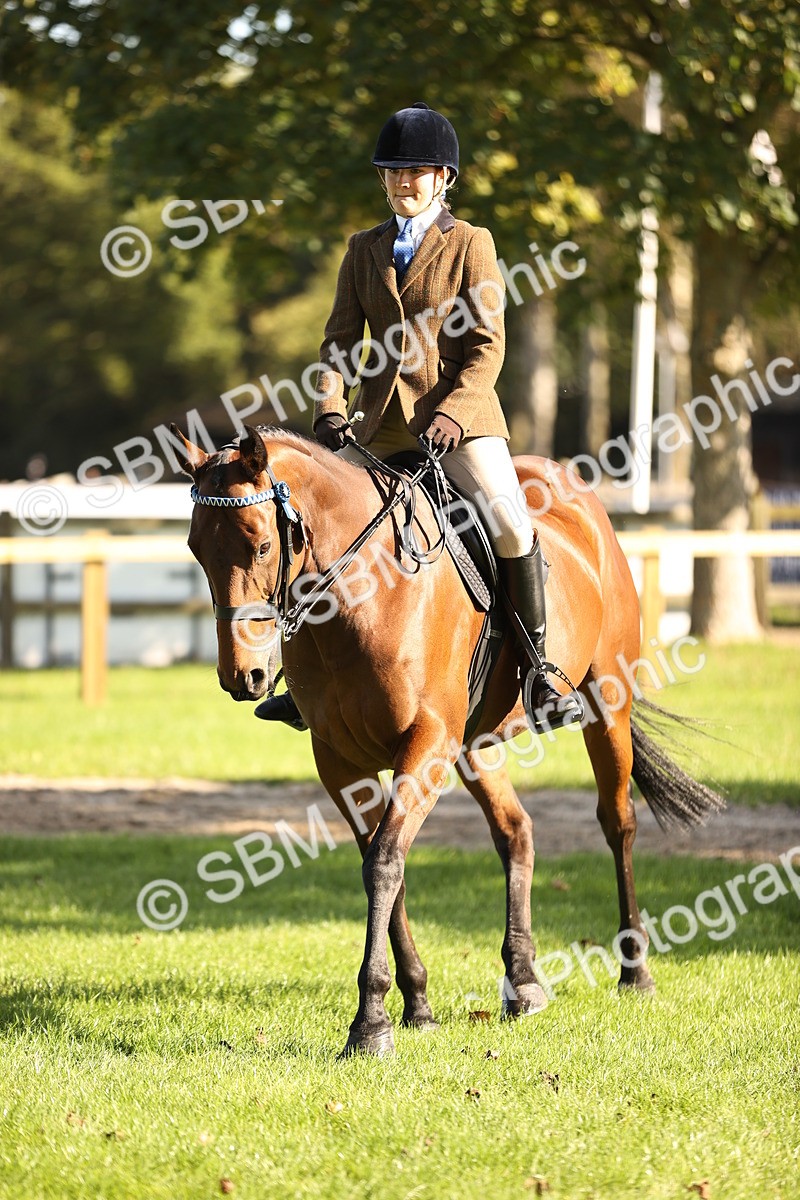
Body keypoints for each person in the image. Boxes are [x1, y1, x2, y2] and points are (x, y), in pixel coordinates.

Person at [256, 101, 581, 733]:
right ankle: (299, 678)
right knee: (308, 522)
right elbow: (338, 345)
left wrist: (457, 412)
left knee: (512, 526)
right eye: (394, 172)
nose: (404, 183)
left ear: (444, 178)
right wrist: (328, 408)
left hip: (459, 421)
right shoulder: (362, 250)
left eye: (419, 172)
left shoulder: (471, 244)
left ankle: (541, 670)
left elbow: (489, 347)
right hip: (377, 425)